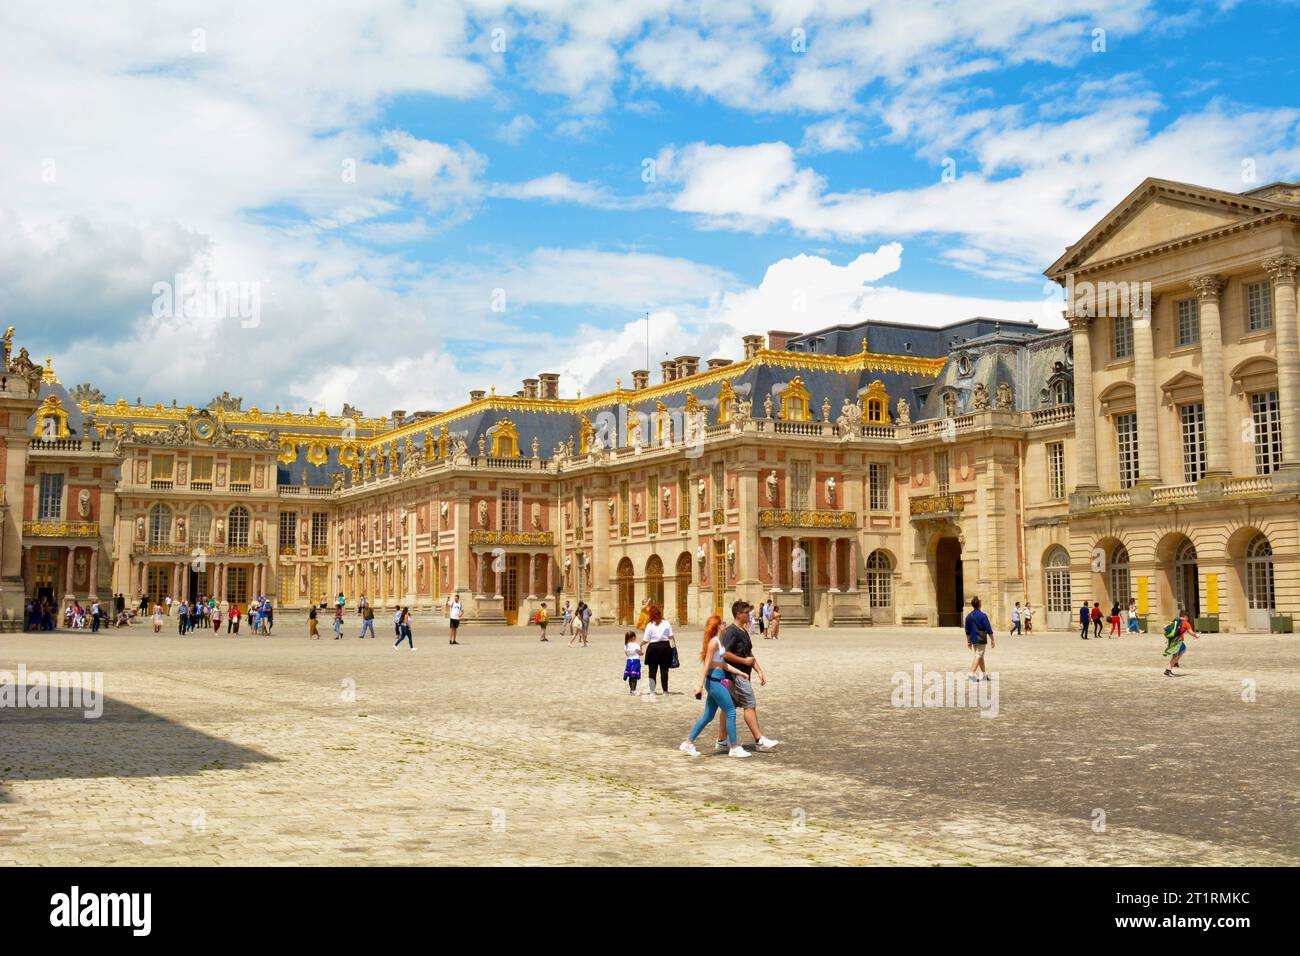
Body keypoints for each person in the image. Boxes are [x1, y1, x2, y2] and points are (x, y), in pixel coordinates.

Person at [679, 615, 750, 758]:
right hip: (714, 681)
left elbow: (722, 664)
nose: (725, 624)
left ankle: (688, 743)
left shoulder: (719, 642)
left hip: (717, 679)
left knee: (708, 716)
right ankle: (734, 747)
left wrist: (740, 672)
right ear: (718, 626)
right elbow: (706, 664)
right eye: (723, 623)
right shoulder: (713, 642)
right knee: (730, 712)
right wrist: (699, 685)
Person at [714, 601, 779, 752]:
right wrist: (744, 662)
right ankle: (759, 739)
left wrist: (759, 670)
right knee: (749, 704)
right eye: (746, 612)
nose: (749, 615)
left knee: (727, 706)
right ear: (738, 614)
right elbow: (725, 654)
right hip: (736, 676)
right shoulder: (731, 632)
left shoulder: (743, 631)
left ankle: (722, 740)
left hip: (740, 675)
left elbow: (748, 653)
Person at [639, 604, 674, 696]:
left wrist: (640, 644)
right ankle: (665, 691)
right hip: (665, 647)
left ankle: (652, 691)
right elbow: (671, 636)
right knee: (664, 670)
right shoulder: (666, 623)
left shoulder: (650, 625)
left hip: (653, 648)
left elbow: (646, 640)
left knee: (652, 670)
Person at [965, 595, 995, 682]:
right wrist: (992, 640)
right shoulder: (983, 615)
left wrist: (968, 641)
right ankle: (971, 673)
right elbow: (988, 629)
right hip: (981, 638)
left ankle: (984, 675)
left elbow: (967, 630)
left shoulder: (968, 616)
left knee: (980, 655)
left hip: (973, 638)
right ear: (979, 605)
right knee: (979, 655)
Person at [1163, 608, 1198, 677]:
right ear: (1185, 616)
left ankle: (1175, 662)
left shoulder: (1176, 620)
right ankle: (1168, 670)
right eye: (1188, 617)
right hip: (1178, 641)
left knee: (1183, 648)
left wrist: (1167, 638)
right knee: (1176, 655)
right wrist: (1196, 635)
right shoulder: (1186, 623)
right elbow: (1191, 632)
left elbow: (1165, 627)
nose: (1188, 618)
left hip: (1172, 640)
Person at [621, 630, 643, 695]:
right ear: (633, 637)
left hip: (629, 661)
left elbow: (626, 654)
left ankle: (631, 690)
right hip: (636, 661)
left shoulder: (626, 645)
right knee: (634, 676)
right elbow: (640, 653)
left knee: (630, 676)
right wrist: (641, 650)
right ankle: (634, 690)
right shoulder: (636, 645)